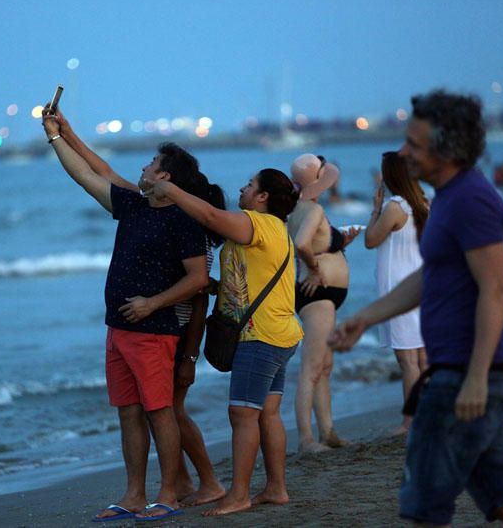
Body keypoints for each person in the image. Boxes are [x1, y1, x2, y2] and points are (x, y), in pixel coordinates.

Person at [328, 90, 503, 527]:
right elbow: (432, 275)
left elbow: (496, 290)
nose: (404, 152)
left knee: (423, 505)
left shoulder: (471, 200)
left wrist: (475, 379)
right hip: (457, 372)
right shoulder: (447, 198)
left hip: (464, 375)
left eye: (414, 143)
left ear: (447, 146)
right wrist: (365, 317)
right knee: (501, 496)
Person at [50, 108, 226, 507]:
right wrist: (58, 136)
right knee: (128, 412)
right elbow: (88, 174)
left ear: (164, 176)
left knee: (161, 411)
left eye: (152, 163)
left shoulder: (184, 220)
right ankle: (133, 495)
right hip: (118, 328)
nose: (144, 167)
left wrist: (152, 304)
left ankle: (169, 492)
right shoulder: (135, 205)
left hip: (156, 328)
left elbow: (199, 281)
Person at [144, 168, 303, 517]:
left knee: (242, 414)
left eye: (249, 185)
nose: (242, 189)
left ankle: (239, 494)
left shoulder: (257, 223)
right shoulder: (274, 231)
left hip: (259, 336)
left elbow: (210, 215)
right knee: (268, 414)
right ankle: (276, 488)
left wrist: (170, 189)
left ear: (262, 198)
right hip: (281, 333)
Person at [288, 154, 351, 453]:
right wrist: (314, 268)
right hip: (318, 294)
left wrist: (338, 243)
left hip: (322, 295)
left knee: (324, 365)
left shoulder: (297, 209)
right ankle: (306, 440)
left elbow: (309, 244)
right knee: (312, 367)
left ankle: (328, 432)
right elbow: (301, 245)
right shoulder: (312, 209)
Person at [363, 151, 429, 435]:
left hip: (399, 291)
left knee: (408, 360)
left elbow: (370, 240)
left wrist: (375, 208)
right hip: (422, 284)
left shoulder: (394, 207)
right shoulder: (424, 203)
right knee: (423, 357)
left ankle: (411, 421)